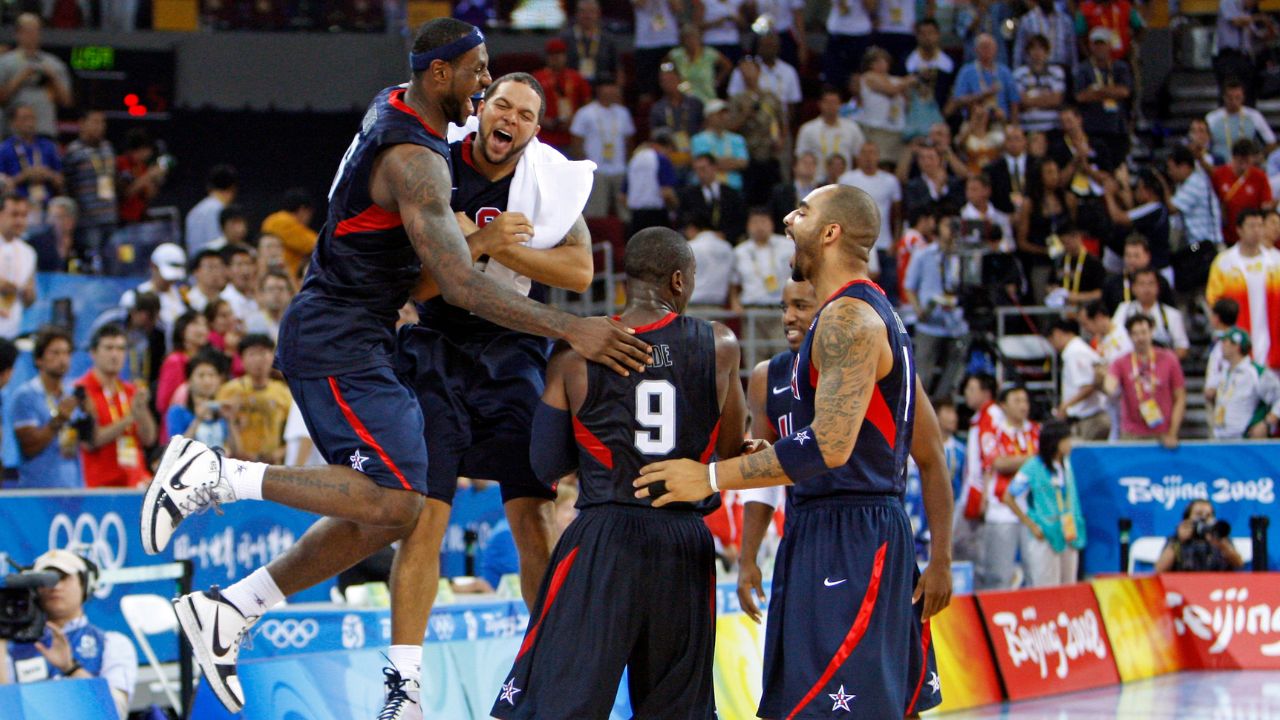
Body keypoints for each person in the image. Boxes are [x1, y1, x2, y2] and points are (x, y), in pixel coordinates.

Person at [146, 19, 649, 719]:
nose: (491, 97)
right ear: (444, 77)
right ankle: (219, 479)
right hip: (370, 335)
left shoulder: (431, 121)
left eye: (518, 106)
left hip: (435, 344)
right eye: (485, 81)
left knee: (398, 507)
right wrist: (566, 320)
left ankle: (233, 607)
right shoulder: (423, 160)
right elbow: (453, 286)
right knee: (406, 508)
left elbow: (571, 264)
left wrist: (489, 246)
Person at [633, 185, 952, 718]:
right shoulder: (861, 317)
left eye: (802, 212)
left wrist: (708, 476)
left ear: (830, 233)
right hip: (828, 526)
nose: (787, 218)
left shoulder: (849, 320)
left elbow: (828, 446)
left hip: (850, 531)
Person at [491, 227, 747, 720]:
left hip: (605, 537)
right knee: (677, 709)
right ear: (678, 281)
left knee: (559, 704)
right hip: (682, 539)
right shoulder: (720, 344)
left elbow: (547, 464)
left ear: (628, 281)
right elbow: (730, 452)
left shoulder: (574, 354)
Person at [396, 72, 597, 619]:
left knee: (534, 514)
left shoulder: (544, 182)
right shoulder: (436, 165)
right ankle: (404, 684)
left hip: (515, 346)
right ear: (481, 109)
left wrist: (489, 249)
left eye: (525, 114)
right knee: (425, 517)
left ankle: (549, 666)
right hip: (438, 342)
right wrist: (482, 241)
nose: (510, 119)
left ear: (535, 129)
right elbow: (418, 285)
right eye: (502, 106)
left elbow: (580, 271)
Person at [0, 550, 137, 720]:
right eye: (45, 580)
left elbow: (115, 712)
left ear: (85, 584)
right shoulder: (11, 648)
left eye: (63, 577)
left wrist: (70, 668)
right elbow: (4, 711)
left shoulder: (112, 644)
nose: (55, 586)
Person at [1001, 421, 1085, 587]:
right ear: (1055, 442)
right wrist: (1031, 525)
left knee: (1069, 586)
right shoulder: (1032, 466)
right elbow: (1008, 497)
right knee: (1047, 587)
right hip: (1045, 534)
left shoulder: (1066, 464)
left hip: (1069, 532)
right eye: (1066, 440)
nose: (1070, 444)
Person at [976, 384, 1039, 590]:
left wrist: (1016, 461)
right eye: (1017, 400)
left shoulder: (1036, 431)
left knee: (1035, 576)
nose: (1023, 406)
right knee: (999, 577)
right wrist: (1032, 460)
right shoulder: (993, 430)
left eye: (1025, 401)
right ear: (1003, 405)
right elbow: (998, 463)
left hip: (1032, 511)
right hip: (1002, 511)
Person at [76, 323, 156, 488]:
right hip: (101, 487)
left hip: (136, 483)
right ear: (93, 353)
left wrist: (141, 412)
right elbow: (91, 441)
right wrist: (130, 418)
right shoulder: (82, 391)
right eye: (109, 348)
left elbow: (149, 438)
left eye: (120, 349)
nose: (115, 355)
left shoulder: (130, 390)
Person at [903, 208, 968, 400]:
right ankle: (919, 419)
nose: (951, 230)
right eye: (948, 225)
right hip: (929, 323)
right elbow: (909, 286)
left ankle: (942, 410)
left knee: (953, 375)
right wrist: (918, 310)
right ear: (937, 226)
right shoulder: (923, 254)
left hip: (955, 323)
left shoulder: (962, 256)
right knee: (922, 376)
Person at [1206, 209, 1280, 370]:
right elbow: (1214, 303)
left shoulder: (1277, 262)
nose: (1257, 231)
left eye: (1260, 226)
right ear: (1239, 230)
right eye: (1252, 226)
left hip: (1273, 344)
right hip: (1237, 345)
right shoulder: (1223, 263)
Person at [11, 325, 83, 488]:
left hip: (73, 488)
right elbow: (29, 447)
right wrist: (58, 420)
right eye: (55, 353)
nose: (62, 359)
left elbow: (88, 441)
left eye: (66, 353)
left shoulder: (72, 393)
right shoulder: (26, 395)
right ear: (39, 359)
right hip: (38, 492)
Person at [1104, 313, 1186, 447]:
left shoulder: (1169, 359)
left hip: (1163, 433)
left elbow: (1180, 397)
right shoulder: (1121, 362)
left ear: (1151, 332)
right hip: (1132, 434)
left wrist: (1172, 432)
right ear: (1129, 336)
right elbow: (1110, 384)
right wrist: (1107, 384)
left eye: (1144, 332)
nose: (1140, 338)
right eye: (1135, 334)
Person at [838, 142, 902, 296]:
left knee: (888, 292)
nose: (868, 157)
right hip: (856, 244)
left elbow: (898, 214)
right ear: (858, 157)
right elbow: (839, 211)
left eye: (872, 153)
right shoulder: (847, 179)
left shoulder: (890, 181)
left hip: (884, 244)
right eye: (864, 153)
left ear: (878, 156)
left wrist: (896, 241)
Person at [730, 207, 794, 359]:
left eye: (764, 222)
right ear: (748, 226)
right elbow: (734, 282)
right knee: (754, 358)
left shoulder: (787, 246)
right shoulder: (740, 251)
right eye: (755, 222)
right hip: (752, 312)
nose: (759, 227)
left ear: (772, 224)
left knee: (782, 357)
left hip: (780, 311)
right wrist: (734, 301)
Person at [215, 333, 289, 462]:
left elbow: (295, 433)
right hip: (235, 462)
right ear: (242, 359)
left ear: (273, 356)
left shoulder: (283, 392)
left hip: (271, 465)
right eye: (252, 354)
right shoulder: (229, 390)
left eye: (263, 353)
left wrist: (279, 453)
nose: (258, 359)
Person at [0, 14, 73, 138]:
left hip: (45, 132)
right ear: (18, 33)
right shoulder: (5, 62)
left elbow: (67, 102)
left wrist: (53, 78)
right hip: (13, 135)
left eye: (35, 30)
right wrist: (20, 78)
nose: (32, 35)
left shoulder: (53, 63)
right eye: (28, 30)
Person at [60, 110, 116, 268]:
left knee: (111, 263)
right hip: (87, 221)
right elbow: (67, 184)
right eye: (95, 122)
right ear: (82, 124)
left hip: (110, 216)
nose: (100, 127)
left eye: (102, 122)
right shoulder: (73, 151)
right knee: (92, 263)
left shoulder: (108, 148)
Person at [571, 78, 634, 218]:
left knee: (625, 213)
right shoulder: (585, 113)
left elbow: (629, 141)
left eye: (615, 87)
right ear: (599, 89)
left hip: (620, 169)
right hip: (596, 170)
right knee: (596, 213)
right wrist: (584, 168)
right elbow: (576, 142)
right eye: (609, 86)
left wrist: (628, 164)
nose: (614, 91)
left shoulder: (623, 113)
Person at [1073, 28, 1133, 162]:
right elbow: (1080, 96)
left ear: (1109, 45)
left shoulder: (1120, 67)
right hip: (1092, 128)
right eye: (1096, 44)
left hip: (1117, 128)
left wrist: (1096, 91)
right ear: (1090, 46)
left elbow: (1124, 91)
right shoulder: (1084, 69)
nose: (1099, 48)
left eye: (1102, 44)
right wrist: (1111, 92)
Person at [165, 347, 238, 453]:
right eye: (201, 375)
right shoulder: (177, 412)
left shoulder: (221, 413)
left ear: (219, 381)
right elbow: (176, 450)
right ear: (189, 380)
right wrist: (198, 420)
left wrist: (230, 421)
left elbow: (235, 451)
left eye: (212, 375)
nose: (207, 381)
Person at [1210, 327, 1280, 439]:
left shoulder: (1255, 372)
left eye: (1225, 342)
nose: (1221, 346)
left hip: (1245, 441)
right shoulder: (1225, 372)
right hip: (1221, 440)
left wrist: (1267, 423)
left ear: (1236, 346)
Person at [1049, 318, 1110, 439]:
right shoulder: (1076, 350)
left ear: (1057, 334)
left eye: (1051, 340)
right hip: (1087, 417)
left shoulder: (1075, 352)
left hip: (1092, 419)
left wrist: (1066, 405)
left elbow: (1089, 386)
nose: (1052, 345)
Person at [1113, 268, 1190, 359]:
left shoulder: (1172, 314)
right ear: (1133, 288)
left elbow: (1182, 347)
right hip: (1129, 363)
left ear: (1158, 287)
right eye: (1142, 284)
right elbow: (1113, 337)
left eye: (1150, 284)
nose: (1146, 288)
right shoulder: (1124, 310)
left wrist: (1166, 363)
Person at [531, 38, 591, 153]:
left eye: (559, 54)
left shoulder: (576, 77)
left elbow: (587, 104)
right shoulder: (537, 78)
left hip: (572, 135)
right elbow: (527, 105)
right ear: (547, 57)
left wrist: (576, 119)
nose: (556, 58)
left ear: (565, 56)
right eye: (552, 54)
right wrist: (542, 120)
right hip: (545, 137)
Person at [1212, 139, 1273, 247]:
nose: (1244, 166)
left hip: (1253, 236)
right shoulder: (1219, 175)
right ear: (1233, 158)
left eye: (1248, 161)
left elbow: (1266, 204)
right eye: (1241, 161)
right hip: (1226, 235)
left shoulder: (1260, 177)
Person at [1155, 499, 1245, 572]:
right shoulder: (1176, 539)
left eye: (1208, 515)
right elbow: (1159, 569)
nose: (1203, 519)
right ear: (1187, 518)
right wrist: (1179, 540)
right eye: (1198, 514)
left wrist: (1222, 544)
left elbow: (1238, 564)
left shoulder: (1219, 538)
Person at [947, 33, 1020, 122]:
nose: (987, 50)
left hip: (1000, 123)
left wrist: (1014, 125)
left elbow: (1014, 101)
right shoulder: (966, 71)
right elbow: (958, 100)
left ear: (995, 49)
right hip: (973, 123)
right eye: (983, 47)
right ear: (976, 50)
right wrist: (983, 95)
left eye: (990, 47)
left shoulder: (1004, 72)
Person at [649, 62, 705, 176]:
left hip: (694, 154)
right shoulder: (658, 108)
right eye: (664, 81)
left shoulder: (695, 104)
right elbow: (655, 135)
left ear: (679, 79)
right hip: (671, 157)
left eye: (671, 79)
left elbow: (703, 127)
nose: (668, 83)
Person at [857, 47, 911, 161]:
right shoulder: (868, 77)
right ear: (870, 64)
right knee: (881, 162)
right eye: (878, 61)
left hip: (897, 130)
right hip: (878, 129)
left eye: (884, 61)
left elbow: (906, 102)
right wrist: (909, 80)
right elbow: (891, 90)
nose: (882, 64)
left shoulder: (897, 80)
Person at [155, 310, 209, 423]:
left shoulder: (206, 361)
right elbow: (163, 403)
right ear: (182, 329)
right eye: (195, 324)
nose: (202, 329)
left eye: (205, 325)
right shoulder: (175, 361)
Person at [679, 153, 747, 243]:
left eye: (703, 168)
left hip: (727, 242)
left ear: (714, 167)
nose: (700, 173)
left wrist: (725, 235)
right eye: (697, 170)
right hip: (698, 244)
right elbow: (683, 220)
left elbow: (740, 220)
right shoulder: (688, 195)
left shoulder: (731, 194)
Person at [1206, 78, 1276, 163]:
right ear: (1224, 97)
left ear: (1243, 97)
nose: (1234, 101)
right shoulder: (1212, 118)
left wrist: (1259, 156)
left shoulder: (1254, 116)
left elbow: (1271, 142)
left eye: (1237, 97)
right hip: (1220, 166)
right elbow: (1204, 146)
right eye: (1230, 98)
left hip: (1247, 165)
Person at [794, 89, 864, 173]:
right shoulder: (807, 129)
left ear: (840, 105)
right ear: (820, 104)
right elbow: (801, 157)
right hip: (817, 181)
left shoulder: (852, 128)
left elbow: (860, 156)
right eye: (827, 102)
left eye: (834, 102)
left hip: (844, 181)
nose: (831, 106)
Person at [690, 99, 749, 194]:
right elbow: (703, 164)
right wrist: (731, 161)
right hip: (707, 187)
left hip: (733, 187)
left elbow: (743, 163)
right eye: (718, 114)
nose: (723, 117)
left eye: (725, 113)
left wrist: (715, 162)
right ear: (709, 117)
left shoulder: (737, 139)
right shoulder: (698, 140)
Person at [1015, 34, 1067, 137]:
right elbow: (1022, 101)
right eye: (1033, 48)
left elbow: (1056, 99)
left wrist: (1031, 99)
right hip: (1028, 128)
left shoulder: (1057, 72)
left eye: (1041, 48)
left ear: (1047, 52)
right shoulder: (1019, 74)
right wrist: (1046, 97)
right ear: (1028, 52)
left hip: (1052, 127)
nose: (1037, 52)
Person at [665, 24, 731, 104]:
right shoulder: (676, 55)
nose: (691, 41)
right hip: (684, 99)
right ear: (682, 40)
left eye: (693, 37)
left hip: (707, 98)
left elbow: (727, 65)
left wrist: (717, 81)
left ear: (699, 38)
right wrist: (673, 78)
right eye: (687, 38)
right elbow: (664, 67)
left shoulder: (709, 54)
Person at [0, 193, 36, 340]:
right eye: (14, 215)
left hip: (10, 332)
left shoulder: (29, 253)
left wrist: (28, 294)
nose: (20, 221)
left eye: (24, 215)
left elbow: (29, 300)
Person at [557, 0, 619, 85]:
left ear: (598, 14)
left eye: (591, 11)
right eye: (583, 11)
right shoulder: (564, 38)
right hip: (572, 85)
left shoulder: (608, 39)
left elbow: (617, 68)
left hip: (601, 85)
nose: (587, 16)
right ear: (576, 14)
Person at [681, 211, 735, 308]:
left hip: (694, 306)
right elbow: (732, 278)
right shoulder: (727, 247)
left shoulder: (690, 247)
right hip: (718, 306)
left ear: (691, 229)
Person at [259, 188, 317, 277]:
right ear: (302, 209)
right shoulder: (284, 222)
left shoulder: (271, 219)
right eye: (310, 213)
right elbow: (316, 244)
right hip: (281, 276)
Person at [115, 128, 167, 225]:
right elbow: (127, 192)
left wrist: (157, 179)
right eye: (148, 149)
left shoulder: (142, 166)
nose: (150, 154)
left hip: (140, 219)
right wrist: (149, 175)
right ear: (141, 149)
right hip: (124, 220)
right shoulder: (121, 162)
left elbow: (150, 194)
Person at [184, 164, 238, 255]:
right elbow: (217, 245)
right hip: (212, 263)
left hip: (196, 264)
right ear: (233, 188)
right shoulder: (221, 210)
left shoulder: (195, 210)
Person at [1204, 298, 1241, 411]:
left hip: (1225, 398)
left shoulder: (1230, 343)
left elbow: (1226, 368)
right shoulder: (1221, 340)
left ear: (1216, 318)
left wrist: (1213, 388)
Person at [245, 269, 291, 342]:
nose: (276, 294)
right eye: (271, 289)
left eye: (281, 289)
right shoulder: (253, 322)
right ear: (261, 294)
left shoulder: (295, 323)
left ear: (290, 294)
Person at [220, 244, 259, 325]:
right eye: (239, 265)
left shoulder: (260, 298)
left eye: (248, 264)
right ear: (228, 270)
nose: (245, 271)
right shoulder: (224, 300)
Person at [184, 247, 229, 313]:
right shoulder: (188, 300)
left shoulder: (228, 299)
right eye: (210, 267)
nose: (216, 272)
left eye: (219, 267)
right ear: (196, 272)